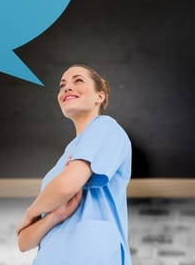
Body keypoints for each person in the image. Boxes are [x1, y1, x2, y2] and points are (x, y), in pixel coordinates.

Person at [16, 64, 132, 265]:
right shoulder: (66, 157)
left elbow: (65, 186)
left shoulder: (105, 127)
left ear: (100, 96)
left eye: (78, 80)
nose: (67, 88)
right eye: (62, 85)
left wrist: (30, 213)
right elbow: (24, 242)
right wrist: (55, 216)